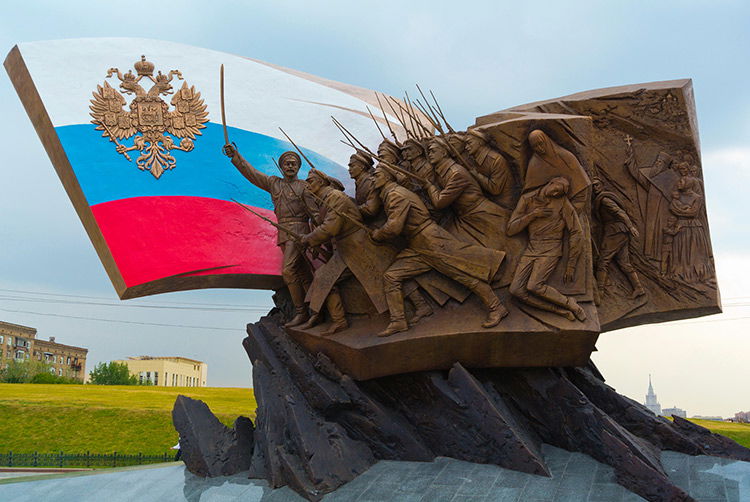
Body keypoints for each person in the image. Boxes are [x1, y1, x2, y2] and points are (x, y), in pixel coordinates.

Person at [370, 166, 508, 337]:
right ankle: (401, 319)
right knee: (392, 276)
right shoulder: (390, 194)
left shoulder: (395, 195)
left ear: (387, 177)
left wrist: (378, 234)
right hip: (418, 244)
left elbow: (394, 227)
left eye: (376, 175)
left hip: (430, 241)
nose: (373, 178)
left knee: (461, 273)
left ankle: (496, 307)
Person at [302, 169, 433, 332]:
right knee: (324, 278)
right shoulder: (325, 199)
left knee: (386, 272)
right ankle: (339, 320)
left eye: (310, 181)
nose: (307, 185)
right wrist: (313, 242)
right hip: (347, 248)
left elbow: (330, 227)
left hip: (359, 245)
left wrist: (308, 238)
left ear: (320, 182)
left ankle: (419, 307)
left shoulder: (335, 197)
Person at [223, 144, 318, 327]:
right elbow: (253, 175)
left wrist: (315, 238)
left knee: (288, 271)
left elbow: (314, 213)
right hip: (284, 233)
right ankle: (315, 310)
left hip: (300, 233)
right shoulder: (274, 183)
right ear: (281, 167)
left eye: (293, 164)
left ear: (298, 167)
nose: (290, 167)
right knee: (303, 273)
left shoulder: (305, 187)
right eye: (287, 164)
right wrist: (236, 156)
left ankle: (301, 312)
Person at [507, 176, 587, 321]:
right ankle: (560, 311)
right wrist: (532, 215)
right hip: (532, 248)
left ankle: (570, 303)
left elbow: (577, 232)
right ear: (550, 183)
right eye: (556, 189)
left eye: (560, 192)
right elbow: (511, 229)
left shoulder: (563, 202)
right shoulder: (527, 199)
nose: (557, 194)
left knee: (534, 286)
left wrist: (571, 265)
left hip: (551, 249)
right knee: (516, 290)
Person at [421, 137, 508, 250]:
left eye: (433, 151)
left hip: (483, 215)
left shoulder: (456, 173)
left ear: (443, 152)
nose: (430, 154)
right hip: (466, 217)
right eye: (429, 152)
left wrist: (429, 187)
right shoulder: (441, 171)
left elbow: (440, 202)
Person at [591, 178, 645, 298]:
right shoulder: (600, 199)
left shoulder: (605, 200)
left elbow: (620, 212)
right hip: (619, 231)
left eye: (597, 185)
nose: (595, 188)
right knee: (624, 263)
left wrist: (631, 227)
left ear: (602, 185)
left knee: (603, 261)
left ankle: (600, 292)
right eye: (593, 186)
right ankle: (639, 288)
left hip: (615, 232)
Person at [464, 129, 514, 209]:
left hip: (501, 205)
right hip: (487, 201)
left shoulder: (496, 160)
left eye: (469, 143)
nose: (466, 147)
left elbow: (495, 189)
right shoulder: (474, 159)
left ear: (480, 142)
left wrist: (476, 175)